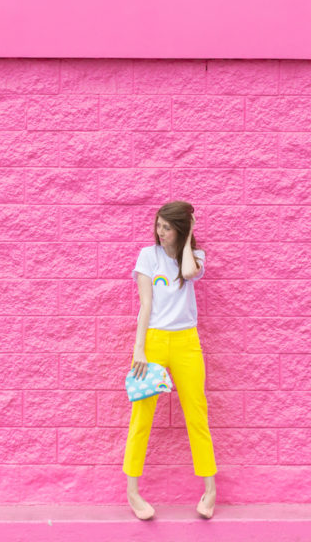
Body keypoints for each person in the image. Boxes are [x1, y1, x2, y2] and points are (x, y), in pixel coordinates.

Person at [123, 201, 217, 520]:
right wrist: (139, 349)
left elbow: (189, 272)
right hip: (154, 341)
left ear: (181, 228)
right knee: (142, 415)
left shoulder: (195, 257)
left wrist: (188, 237)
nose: (161, 233)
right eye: (159, 226)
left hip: (187, 342)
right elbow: (145, 305)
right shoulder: (148, 256)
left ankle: (210, 490)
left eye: (168, 227)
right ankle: (133, 492)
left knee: (196, 412)